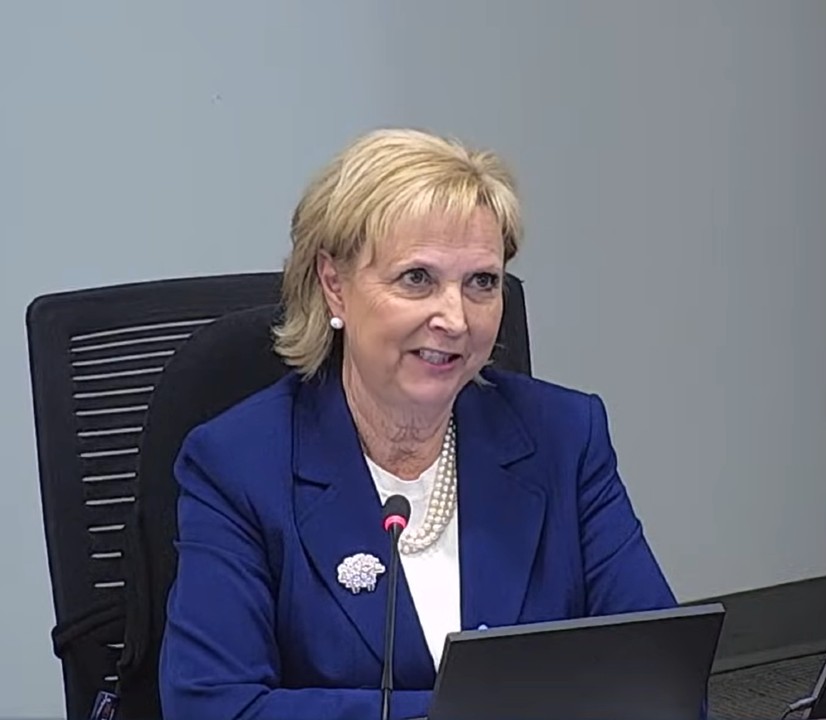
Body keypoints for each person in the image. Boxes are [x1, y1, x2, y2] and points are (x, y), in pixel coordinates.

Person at [158, 128, 677, 720]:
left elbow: (659, 676)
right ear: (334, 285)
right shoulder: (239, 464)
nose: (454, 318)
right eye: (417, 279)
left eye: (481, 282)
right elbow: (215, 707)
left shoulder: (565, 436)